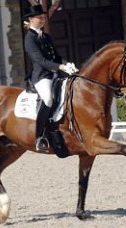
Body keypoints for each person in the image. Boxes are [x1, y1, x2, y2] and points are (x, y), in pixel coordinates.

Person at [23, 4, 78, 152]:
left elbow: (57, 57)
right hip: (42, 76)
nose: (42, 20)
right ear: (30, 19)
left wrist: (68, 64)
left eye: (43, 17)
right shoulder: (29, 39)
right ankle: (39, 136)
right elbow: (41, 61)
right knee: (47, 98)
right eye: (39, 18)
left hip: (55, 74)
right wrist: (60, 67)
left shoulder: (45, 36)